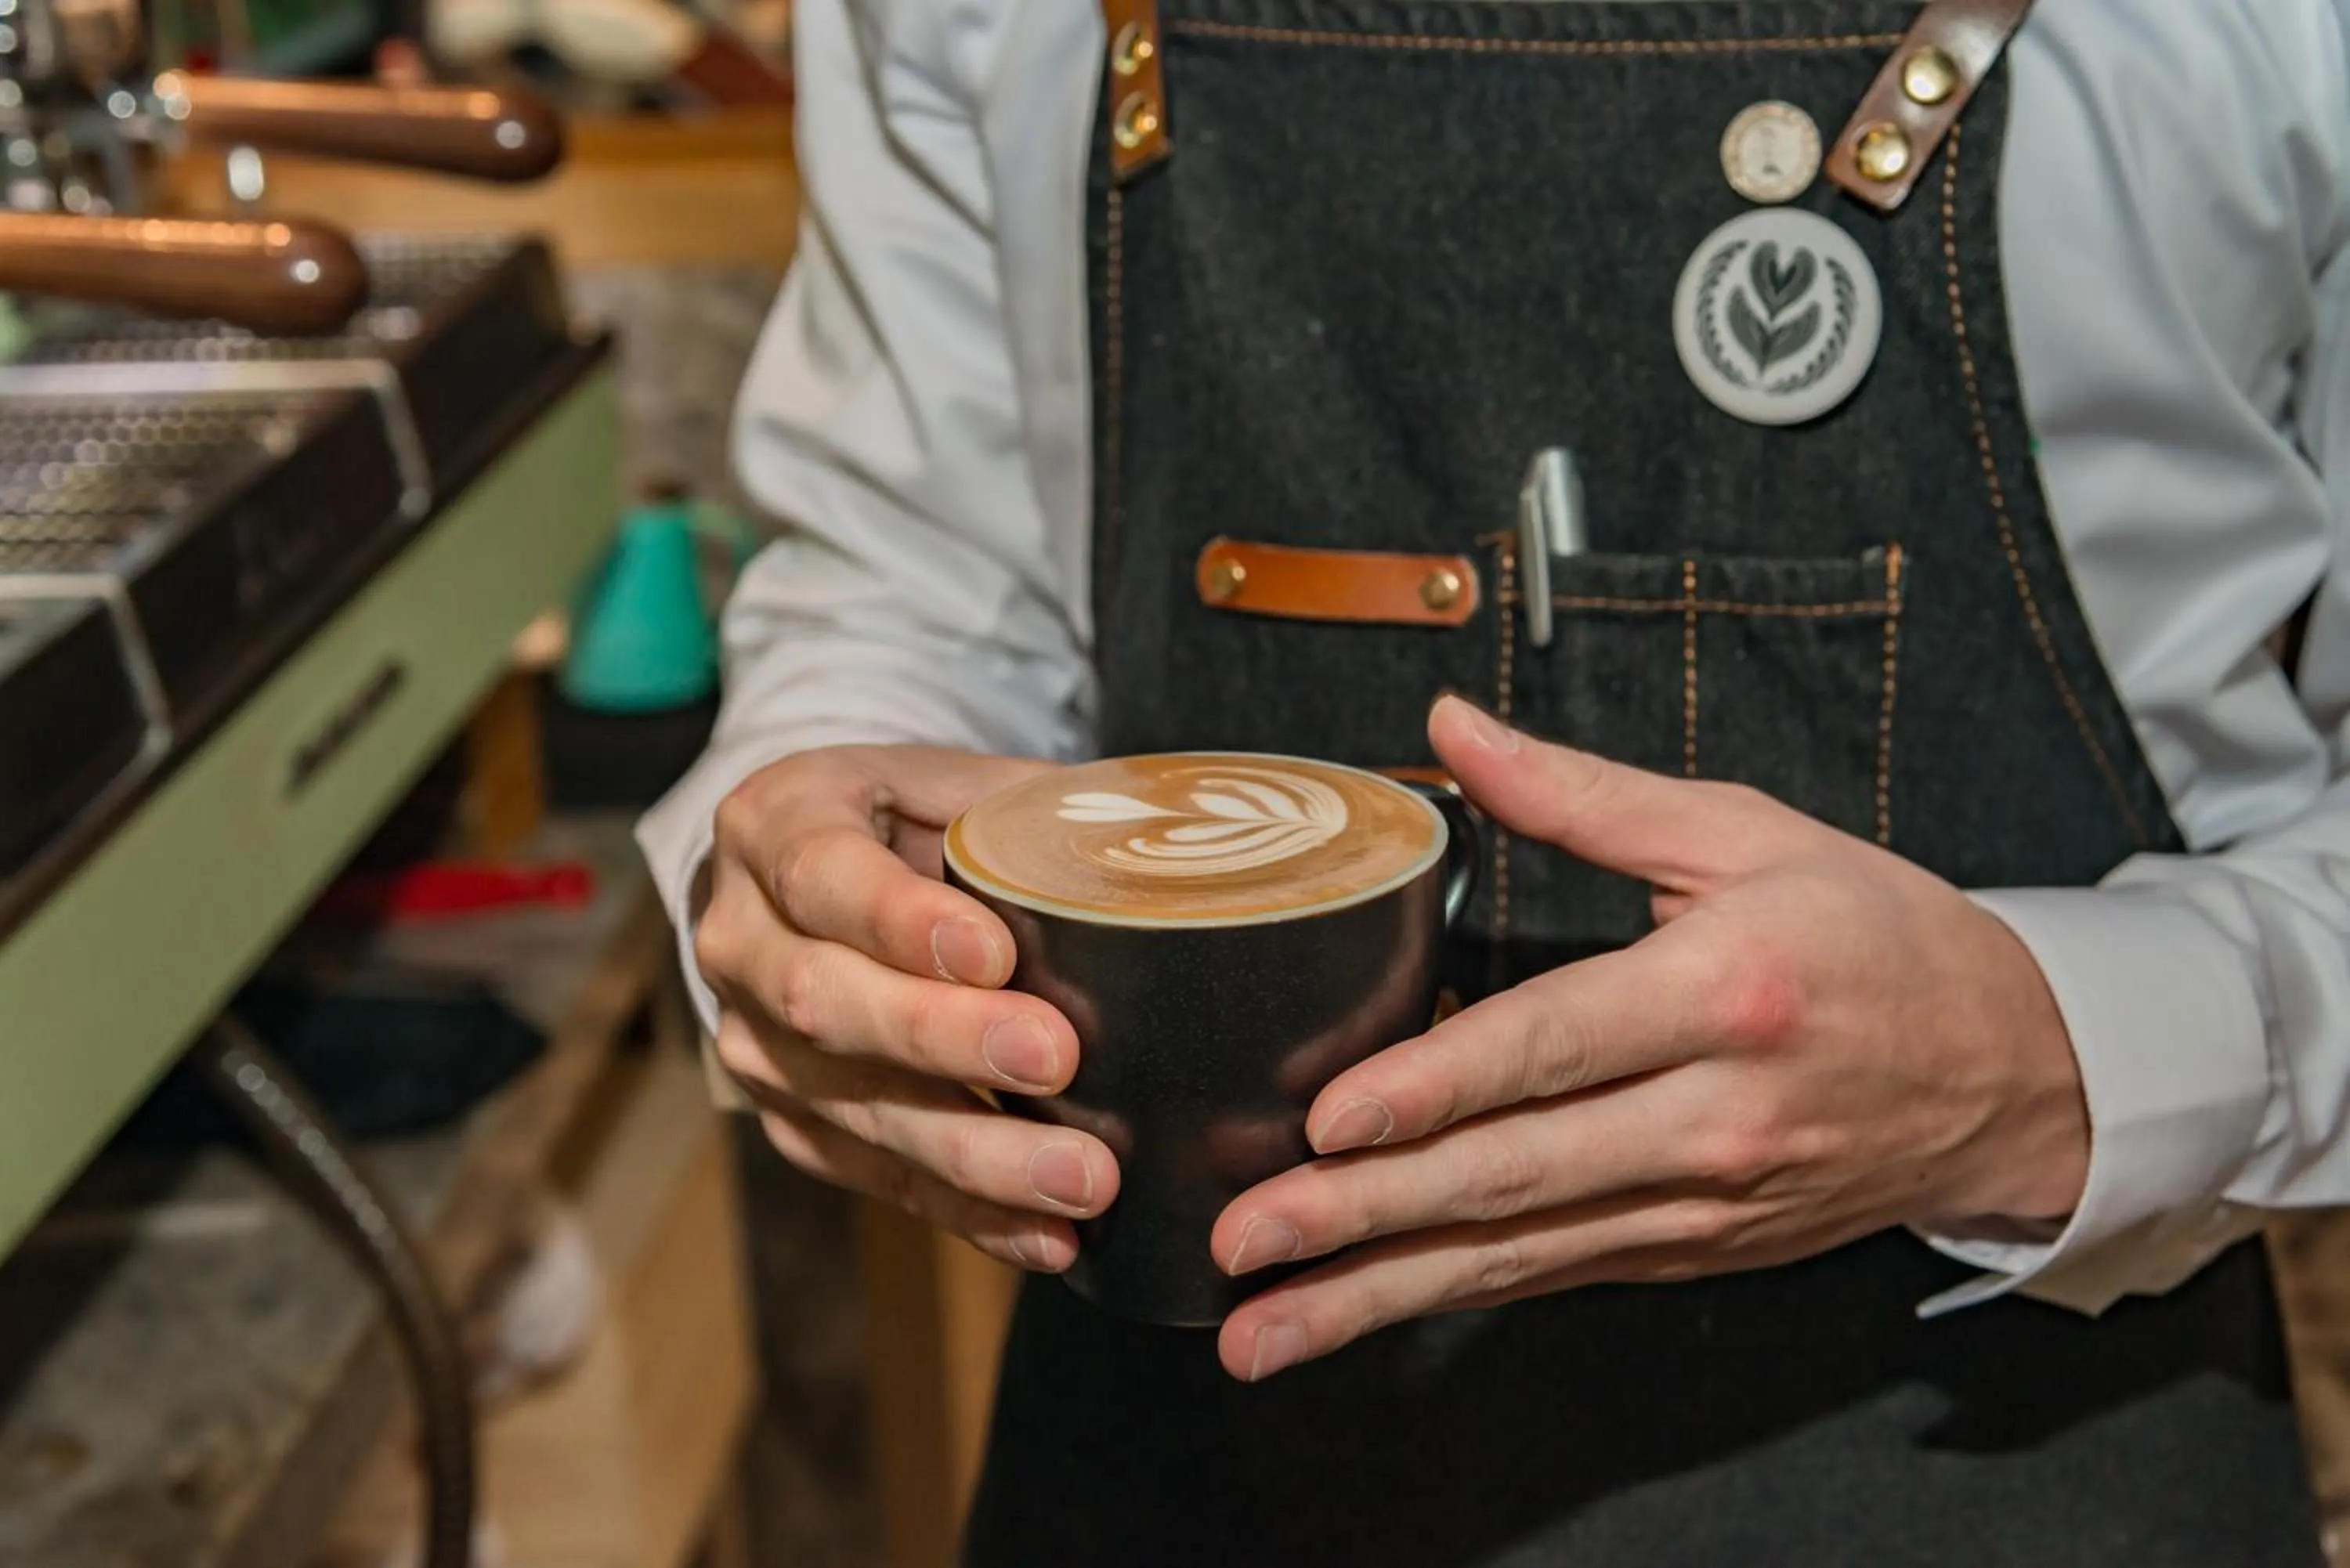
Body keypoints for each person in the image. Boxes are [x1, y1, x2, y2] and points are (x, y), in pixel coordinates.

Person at [638, 1, 2350, 1560]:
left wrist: (2064, 1053)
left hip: (2033, 1451)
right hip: (1179, 1444)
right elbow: (917, 574)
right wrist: (810, 845)